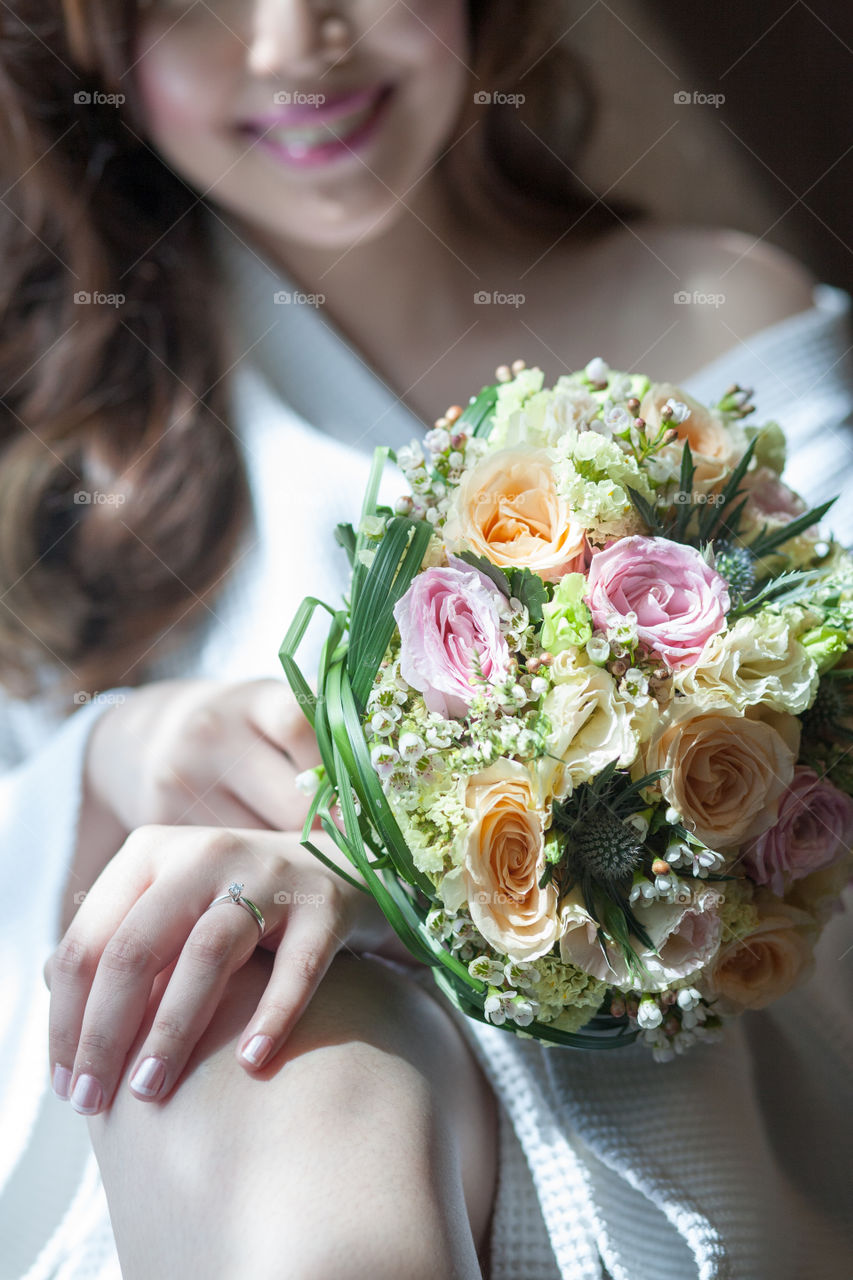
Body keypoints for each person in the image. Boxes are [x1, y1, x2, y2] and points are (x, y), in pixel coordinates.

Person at [1, 3, 852, 1278]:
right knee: (237, 987)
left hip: (672, 1104)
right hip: (208, 1164)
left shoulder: (709, 313)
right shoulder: (64, 454)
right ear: (94, 49)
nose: (294, 44)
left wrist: (395, 868)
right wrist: (114, 754)